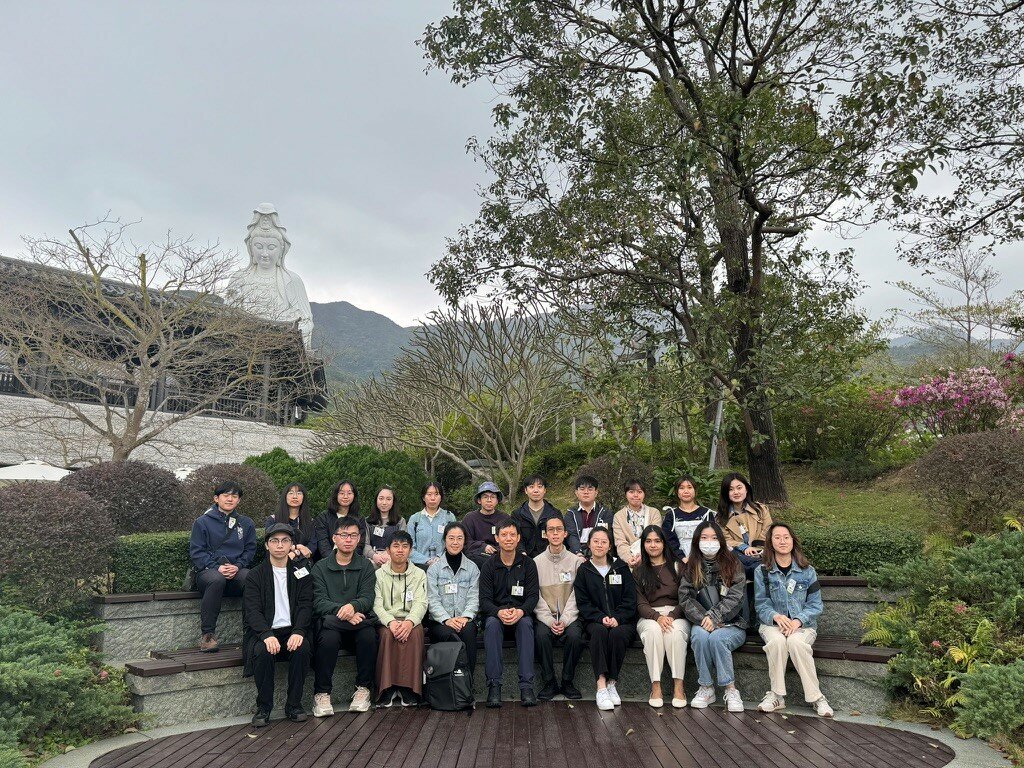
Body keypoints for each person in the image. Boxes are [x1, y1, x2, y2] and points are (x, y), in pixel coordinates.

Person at [754, 523, 833, 718]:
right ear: (770, 543)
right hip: (773, 624)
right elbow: (761, 603)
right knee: (778, 642)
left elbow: (815, 605)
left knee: (796, 643)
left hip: (802, 626)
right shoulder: (762, 571)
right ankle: (777, 696)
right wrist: (777, 617)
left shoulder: (807, 571)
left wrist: (797, 621)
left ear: (792, 540)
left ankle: (817, 698)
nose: (782, 541)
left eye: (786, 537)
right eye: (777, 537)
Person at [242, 523, 313, 727]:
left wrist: (299, 631)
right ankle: (264, 707)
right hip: (265, 632)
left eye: (285, 541)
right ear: (266, 545)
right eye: (274, 541)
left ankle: (294, 705)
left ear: (291, 545)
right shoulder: (256, 575)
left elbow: (306, 604)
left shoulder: (301, 572)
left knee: (303, 648)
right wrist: (266, 634)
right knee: (262, 653)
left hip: (292, 630)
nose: (279, 545)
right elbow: (252, 610)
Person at [310, 517, 378, 716]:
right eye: (344, 535)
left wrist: (353, 606)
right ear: (334, 538)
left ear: (359, 539)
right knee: (328, 635)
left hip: (356, 625)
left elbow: (368, 597)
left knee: (368, 634)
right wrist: (346, 611)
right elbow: (318, 601)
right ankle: (321, 693)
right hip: (334, 625)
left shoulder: (366, 566)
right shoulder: (320, 567)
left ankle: (363, 689)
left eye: (353, 535)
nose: (348, 539)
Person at [679, 521, 748, 713]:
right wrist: (705, 618)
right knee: (699, 636)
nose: (709, 542)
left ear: (721, 541)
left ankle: (730, 689)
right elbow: (685, 598)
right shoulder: (692, 566)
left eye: (714, 538)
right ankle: (706, 687)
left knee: (718, 639)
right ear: (696, 541)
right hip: (702, 621)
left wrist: (715, 617)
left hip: (732, 622)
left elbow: (737, 596)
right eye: (704, 538)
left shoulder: (734, 563)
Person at [573, 527, 637, 710]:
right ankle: (601, 686)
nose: (599, 545)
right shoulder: (584, 570)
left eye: (604, 541)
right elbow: (583, 602)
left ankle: (612, 684)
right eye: (596, 541)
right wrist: (601, 617)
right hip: (595, 621)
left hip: (622, 620)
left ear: (610, 545)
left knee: (617, 634)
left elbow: (630, 599)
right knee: (599, 633)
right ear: (589, 544)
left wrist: (617, 617)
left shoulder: (621, 568)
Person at [189, 480, 256, 652]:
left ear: (239, 500)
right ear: (216, 498)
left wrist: (238, 566)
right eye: (226, 495)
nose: (230, 499)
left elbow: (250, 549)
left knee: (251, 577)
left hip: (235, 572)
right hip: (208, 573)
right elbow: (197, 552)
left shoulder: (246, 523)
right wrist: (215, 567)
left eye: (234, 496)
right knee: (216, 579)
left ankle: (252, 632)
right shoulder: (202, 522)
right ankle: (208, 635)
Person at [479, 520, 539, 708]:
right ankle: (494, 686)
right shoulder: (489, 565)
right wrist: (498, 612)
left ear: (519, 538)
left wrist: (521, 611)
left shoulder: (528, 564)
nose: (508, 538)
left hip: (521, 614)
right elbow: (484, 600)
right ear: (496, 538)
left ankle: (526, 687)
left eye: (512, 534)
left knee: (526, 625)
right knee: (491, 625)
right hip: (497, 616)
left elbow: (533, 596)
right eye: (504, 535)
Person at [634, 525, 688, 708]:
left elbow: (687, 598)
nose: (653, 545)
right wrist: (657, 617)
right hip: (650, 616)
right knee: (652, 633)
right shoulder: (639, 570)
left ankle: (678, 687)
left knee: (674, 633)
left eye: (657, 541)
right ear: (643, 544)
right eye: (648, 541)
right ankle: (655, 686)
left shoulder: (678, 566)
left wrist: (672, 616)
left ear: (664, 543)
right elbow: (640, 602)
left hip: (676, 614)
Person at [373, 531, 428, 706]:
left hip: (411, 619)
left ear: (410, 550)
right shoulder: (378, 575)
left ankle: (409, 688)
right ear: (388, 550)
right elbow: (377, 605)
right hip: (387, 620)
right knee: (387, 636)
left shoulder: (419, 574)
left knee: (415, 634)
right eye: (395, 546)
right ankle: (387, 688)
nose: (400, 550)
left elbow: (421, 603)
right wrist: (391, 622)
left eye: (405, 546)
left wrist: (409, 622)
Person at [533, 516, 584, 700]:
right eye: (551, 530)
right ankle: (549, 682)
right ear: (545, 534)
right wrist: (548, 619)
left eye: (558, 529)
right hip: (545, 616)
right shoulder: (536, 563)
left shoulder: (576, 562)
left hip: (570, 616)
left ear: (565, 533)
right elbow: (535, 596)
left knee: (575, 636)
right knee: (540, 635)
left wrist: (564, 620)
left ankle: (568, 681)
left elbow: (577, 595)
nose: (555, 533)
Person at [426, 522, 481, 672]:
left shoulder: (472, 568)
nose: (455, 542)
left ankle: (467, 682)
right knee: (449, 634)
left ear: (464, 541)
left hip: (465, 620)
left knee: (469, 632)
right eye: (451, 538)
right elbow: (432, 599)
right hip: (440, 622)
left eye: (459, 538)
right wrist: (447, 619)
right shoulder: (434, 569)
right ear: (444, 540)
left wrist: (465, 617)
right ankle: (451, 681)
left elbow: (474, 597)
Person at [716, 472, 773, 575]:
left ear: (746, 489)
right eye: (731, 489)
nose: (736, 492)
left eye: (739, 488)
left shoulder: (761, 510)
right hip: (738, 556)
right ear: (726, 493)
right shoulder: (721, 517)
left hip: (762, 552)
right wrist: (744, 547)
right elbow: (726, 540)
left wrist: (756, 549)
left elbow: (768, 531)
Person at [312, 480, 367, 563]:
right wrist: (334, 562)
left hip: (352, 562)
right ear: (336, 495)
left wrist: (348, 561)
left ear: (354, 496)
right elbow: (323, 544)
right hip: (327, 562)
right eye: (341, 493)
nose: (345, 496)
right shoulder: (323, 517)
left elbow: (359, 545)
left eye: (349, 493)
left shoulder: (359, 519)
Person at [612, 478, 662, 568]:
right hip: (629, 562)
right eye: (631, 492)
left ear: (644, 494)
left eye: (639, 492)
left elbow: (655, 538)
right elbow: (620, 542)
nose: (635, 495)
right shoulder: (618, 516)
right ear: (625, 494)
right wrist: (629, 558)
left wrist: (643, 556)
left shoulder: (654, 513)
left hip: (652, 560)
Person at [662, 475, 714, 560]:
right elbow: (669, 539)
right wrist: (682, 557)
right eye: (682, 488)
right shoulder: (671, 515)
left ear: (695, 491)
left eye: (689, 487)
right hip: (677, 559)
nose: (686, 491)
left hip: (704, 558)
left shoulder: (706, 513)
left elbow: (712, 538)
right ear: (677, 492)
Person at [511, 475, 563, 558]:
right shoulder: (517, 514)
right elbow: (516, 537)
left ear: (545, 490)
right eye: (531, 487)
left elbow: (559, 536)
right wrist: (522, 553)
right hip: (524, 557)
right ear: (526, 490)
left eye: (539, 487)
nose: (536, 490)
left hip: (550, 557)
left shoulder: (554, 513)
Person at [463, 481, 514, 567]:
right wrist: (483, 546)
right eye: (485, 497)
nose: (489, 500)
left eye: (493, 497)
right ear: (479, 500)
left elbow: (509, 540)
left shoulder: (504, 518)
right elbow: (466, 541)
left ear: (497, 500)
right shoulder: (470, 518)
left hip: (499, 557)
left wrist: (495, 549)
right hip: (475, 558)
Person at [408, 481, 457, 569]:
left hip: (445, 565)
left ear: (441, 497)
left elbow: (454, 543)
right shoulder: (414, 519)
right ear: (423, 497)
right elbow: (409, 548)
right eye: (429, 494)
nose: (433, 498)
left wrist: (439, 558)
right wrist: (427, 560)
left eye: (436, 494)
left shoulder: (449, 517)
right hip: (419, 567)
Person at [564, 475, 615, 559]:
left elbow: (607, 536)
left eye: (590, 489)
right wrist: (578, 553)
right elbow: (572, 536)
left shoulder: (606, 513)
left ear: (596, 492)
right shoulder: (570, 514)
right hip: (577, 555)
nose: (586, 492)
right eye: (582, 489)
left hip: (601, 555)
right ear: (576, 492)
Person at [265, 483, 316, 561]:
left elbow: (312, 545)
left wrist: (295, 553)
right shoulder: (273, 520)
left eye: (299, 493)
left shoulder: (310, 521)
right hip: (278, 562)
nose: (295, 497)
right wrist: (296, 550)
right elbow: (270, 544)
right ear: (285, 497)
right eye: (291, 493)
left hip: (304, 562)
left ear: (303, 497)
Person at [363, 486, 408, 569]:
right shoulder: (367, 521)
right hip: (372, 561)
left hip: (394, 560)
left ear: (393, 502)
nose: (384, 502)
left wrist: (390, 555)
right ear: (376, 500)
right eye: (381, 498)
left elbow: (403, 543)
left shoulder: (400, 521)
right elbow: (365, 544)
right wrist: (374, 556)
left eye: (388, 499)